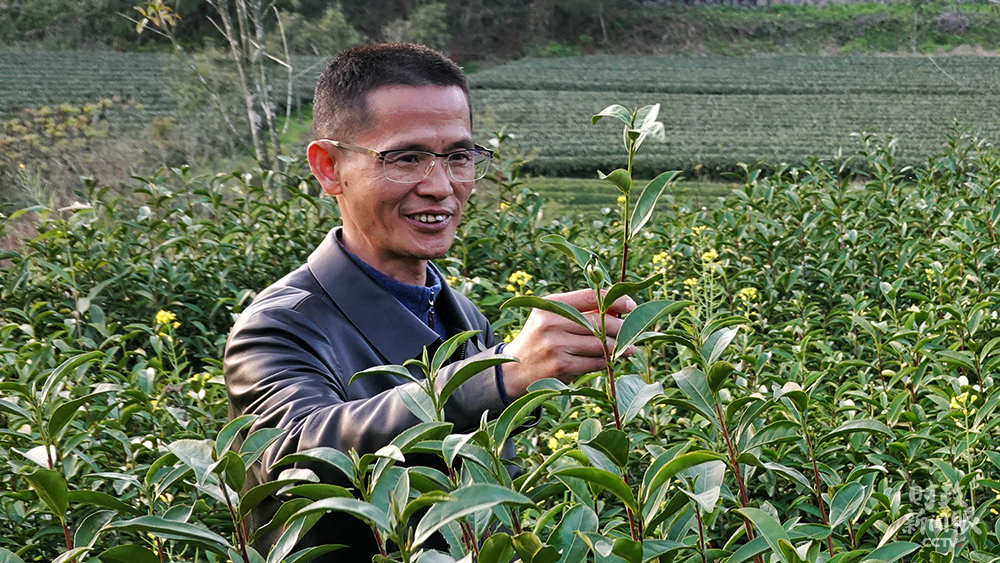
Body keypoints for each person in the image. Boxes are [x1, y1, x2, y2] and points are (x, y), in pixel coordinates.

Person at [224, 43, 635, 560]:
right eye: (405, 158)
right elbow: (293, 456)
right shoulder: (277, 327)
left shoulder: (462, 316)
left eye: (458, 156)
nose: (441, 187)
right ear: (329, 168)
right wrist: (501, 374)